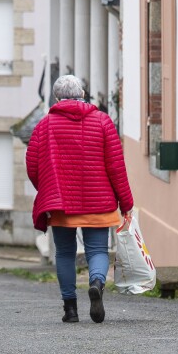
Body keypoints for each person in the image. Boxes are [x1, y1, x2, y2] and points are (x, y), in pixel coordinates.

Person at [25, 75, 134, 324]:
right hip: (99, 202)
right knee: (97, 249)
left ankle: (70, 309)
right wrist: (126, 203)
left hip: (61, 202)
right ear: (83, 95)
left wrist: (47, 189)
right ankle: (96, 282)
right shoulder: (103, 122)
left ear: (56, 98)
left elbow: (32, 165)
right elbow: (116, 167)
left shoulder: (45, 126)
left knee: (64, 252)